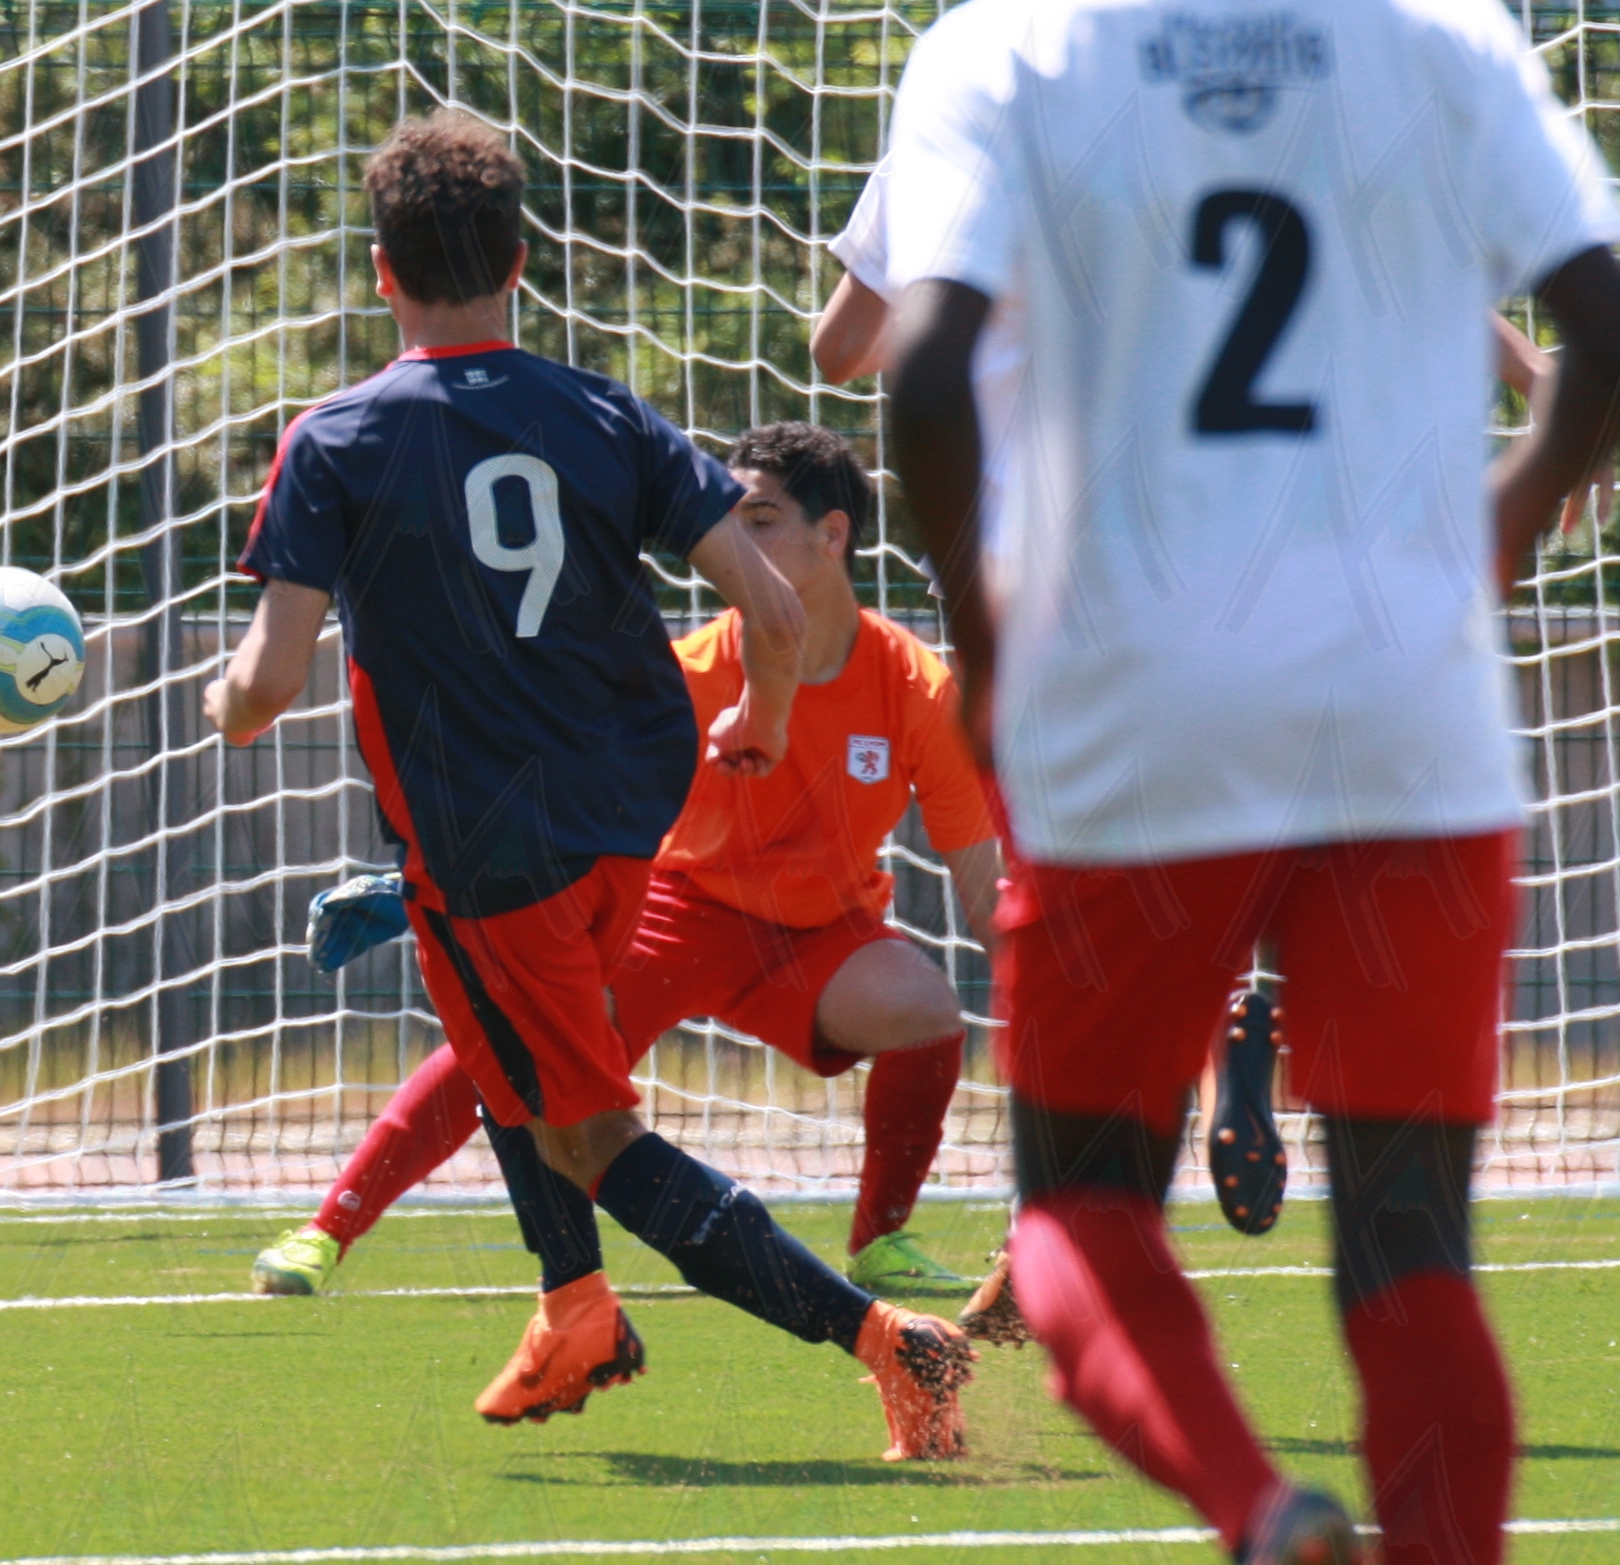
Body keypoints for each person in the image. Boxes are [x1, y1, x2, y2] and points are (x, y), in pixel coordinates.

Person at [883, 0, 1620, 1559]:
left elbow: (921, 376)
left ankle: (1258, 1509)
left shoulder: (1003, 47)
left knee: (1077, 1211)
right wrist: (1495, 529)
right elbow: (1601, 318)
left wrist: (986, 647)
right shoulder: (1443, 34)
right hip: (1404, 715)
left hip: (1134, 706)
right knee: (1410, 1252)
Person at [206, 110, 974, 1460]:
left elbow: (265, 686)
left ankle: (885, 1343)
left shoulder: (333, 439)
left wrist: (219, 704)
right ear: (519, 261)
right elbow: (769, 608)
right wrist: (759, 717)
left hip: (490, 847)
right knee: (512, 1064)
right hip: (630, 823)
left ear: (380, 273)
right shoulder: (607, 412)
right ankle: (571, 1306)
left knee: (595, 1137)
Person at [253, 422, 1024, 1334]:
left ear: (833, 535)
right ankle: (327, 1227)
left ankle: (881, 1238)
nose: (735, 540)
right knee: (516, 1032)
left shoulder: (916, 687)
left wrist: (1047, 972)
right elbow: (556, 794)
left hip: (818, 932)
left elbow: (978, 877)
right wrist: (429, 884)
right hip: (672, 910)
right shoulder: (685, 672)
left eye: (761, 520)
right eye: (729, 521)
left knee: (924, 1009)